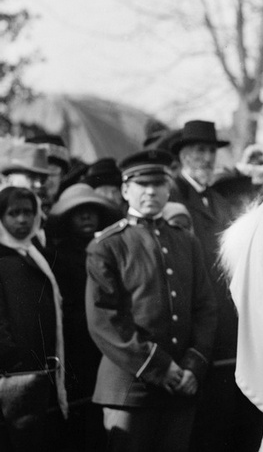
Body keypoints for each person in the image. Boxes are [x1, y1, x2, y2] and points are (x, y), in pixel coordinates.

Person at [85, 149, 217, 452]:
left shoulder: (186, 241)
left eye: (158, 184)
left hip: (182, 385)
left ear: (168, 189)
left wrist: (193, 365)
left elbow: (205, 308)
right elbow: (104, 320)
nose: (150, 191)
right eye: (141, 184)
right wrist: (159, 367)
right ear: (125, 190)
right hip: (131, 386)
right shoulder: (107, 245)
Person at [168, 119, 262, 452]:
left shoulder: (220, 203)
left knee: (226, 420)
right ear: (182, 155)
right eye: (199, 150)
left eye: (211, 150)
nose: (207, 157)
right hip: (192, 321)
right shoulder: (172, 195)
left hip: (226, 319)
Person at [48, 183, 122, 451]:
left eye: (92, 211)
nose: (87, 217)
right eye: (79, 212)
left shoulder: (112, 249)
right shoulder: (57, 256)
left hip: (111, 348)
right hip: (78, 349)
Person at [0, 186, 68, 451]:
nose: (21, 220)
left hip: (44, 373)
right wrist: (14, 362)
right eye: (12, 213)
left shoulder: (36, 253)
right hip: (16, 379)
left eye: (27, 212)